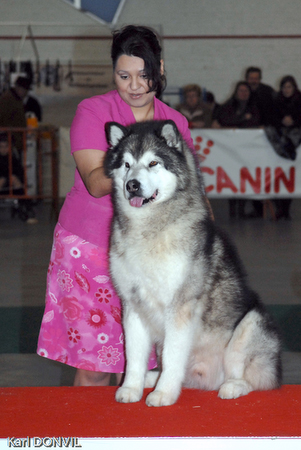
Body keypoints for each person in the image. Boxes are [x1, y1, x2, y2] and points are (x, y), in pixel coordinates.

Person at [36, 25, 196, 387]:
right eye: (124, 76)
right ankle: (85, 441)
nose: (135, 85)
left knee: (143, 365)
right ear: (114, 73)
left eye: (144, 75)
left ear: (160, 69)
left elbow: (190, 190)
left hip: (155, 253)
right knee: (97, 367)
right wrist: (143, 167)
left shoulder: (176, 123)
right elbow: (95, 182)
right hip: (91, 248)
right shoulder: (92, 111)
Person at [212, 81, 261, 218]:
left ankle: (242, 207)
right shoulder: (228, 105)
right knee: (232, 175)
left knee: (245, 177)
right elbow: (224, 120)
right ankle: (233, 208)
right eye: (241, 91)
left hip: (248, 151)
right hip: (230, 150)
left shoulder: (254, 106)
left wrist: (237, 120)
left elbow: (255, 121)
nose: (243, 93)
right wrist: (243, 119)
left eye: (246, 91)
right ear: (236, 92)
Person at [265, 75, 301, 220]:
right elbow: (269, 117)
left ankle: (285, 208)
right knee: (278, 176)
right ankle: (280, 207)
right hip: (278, 144)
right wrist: (282, 121)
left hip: (294, 143)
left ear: (294, 88)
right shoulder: (275, 101)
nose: (286, 90)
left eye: (289, 87)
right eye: (284, 87)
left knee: (290, 176)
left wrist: (293, 121)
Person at [0, 76, 29, 157]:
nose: (25, 93)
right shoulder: (7, 99)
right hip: (10, 142)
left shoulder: (15, 99)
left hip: (14, 140)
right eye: (24, 91)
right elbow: (3, 119)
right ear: (18, 88)